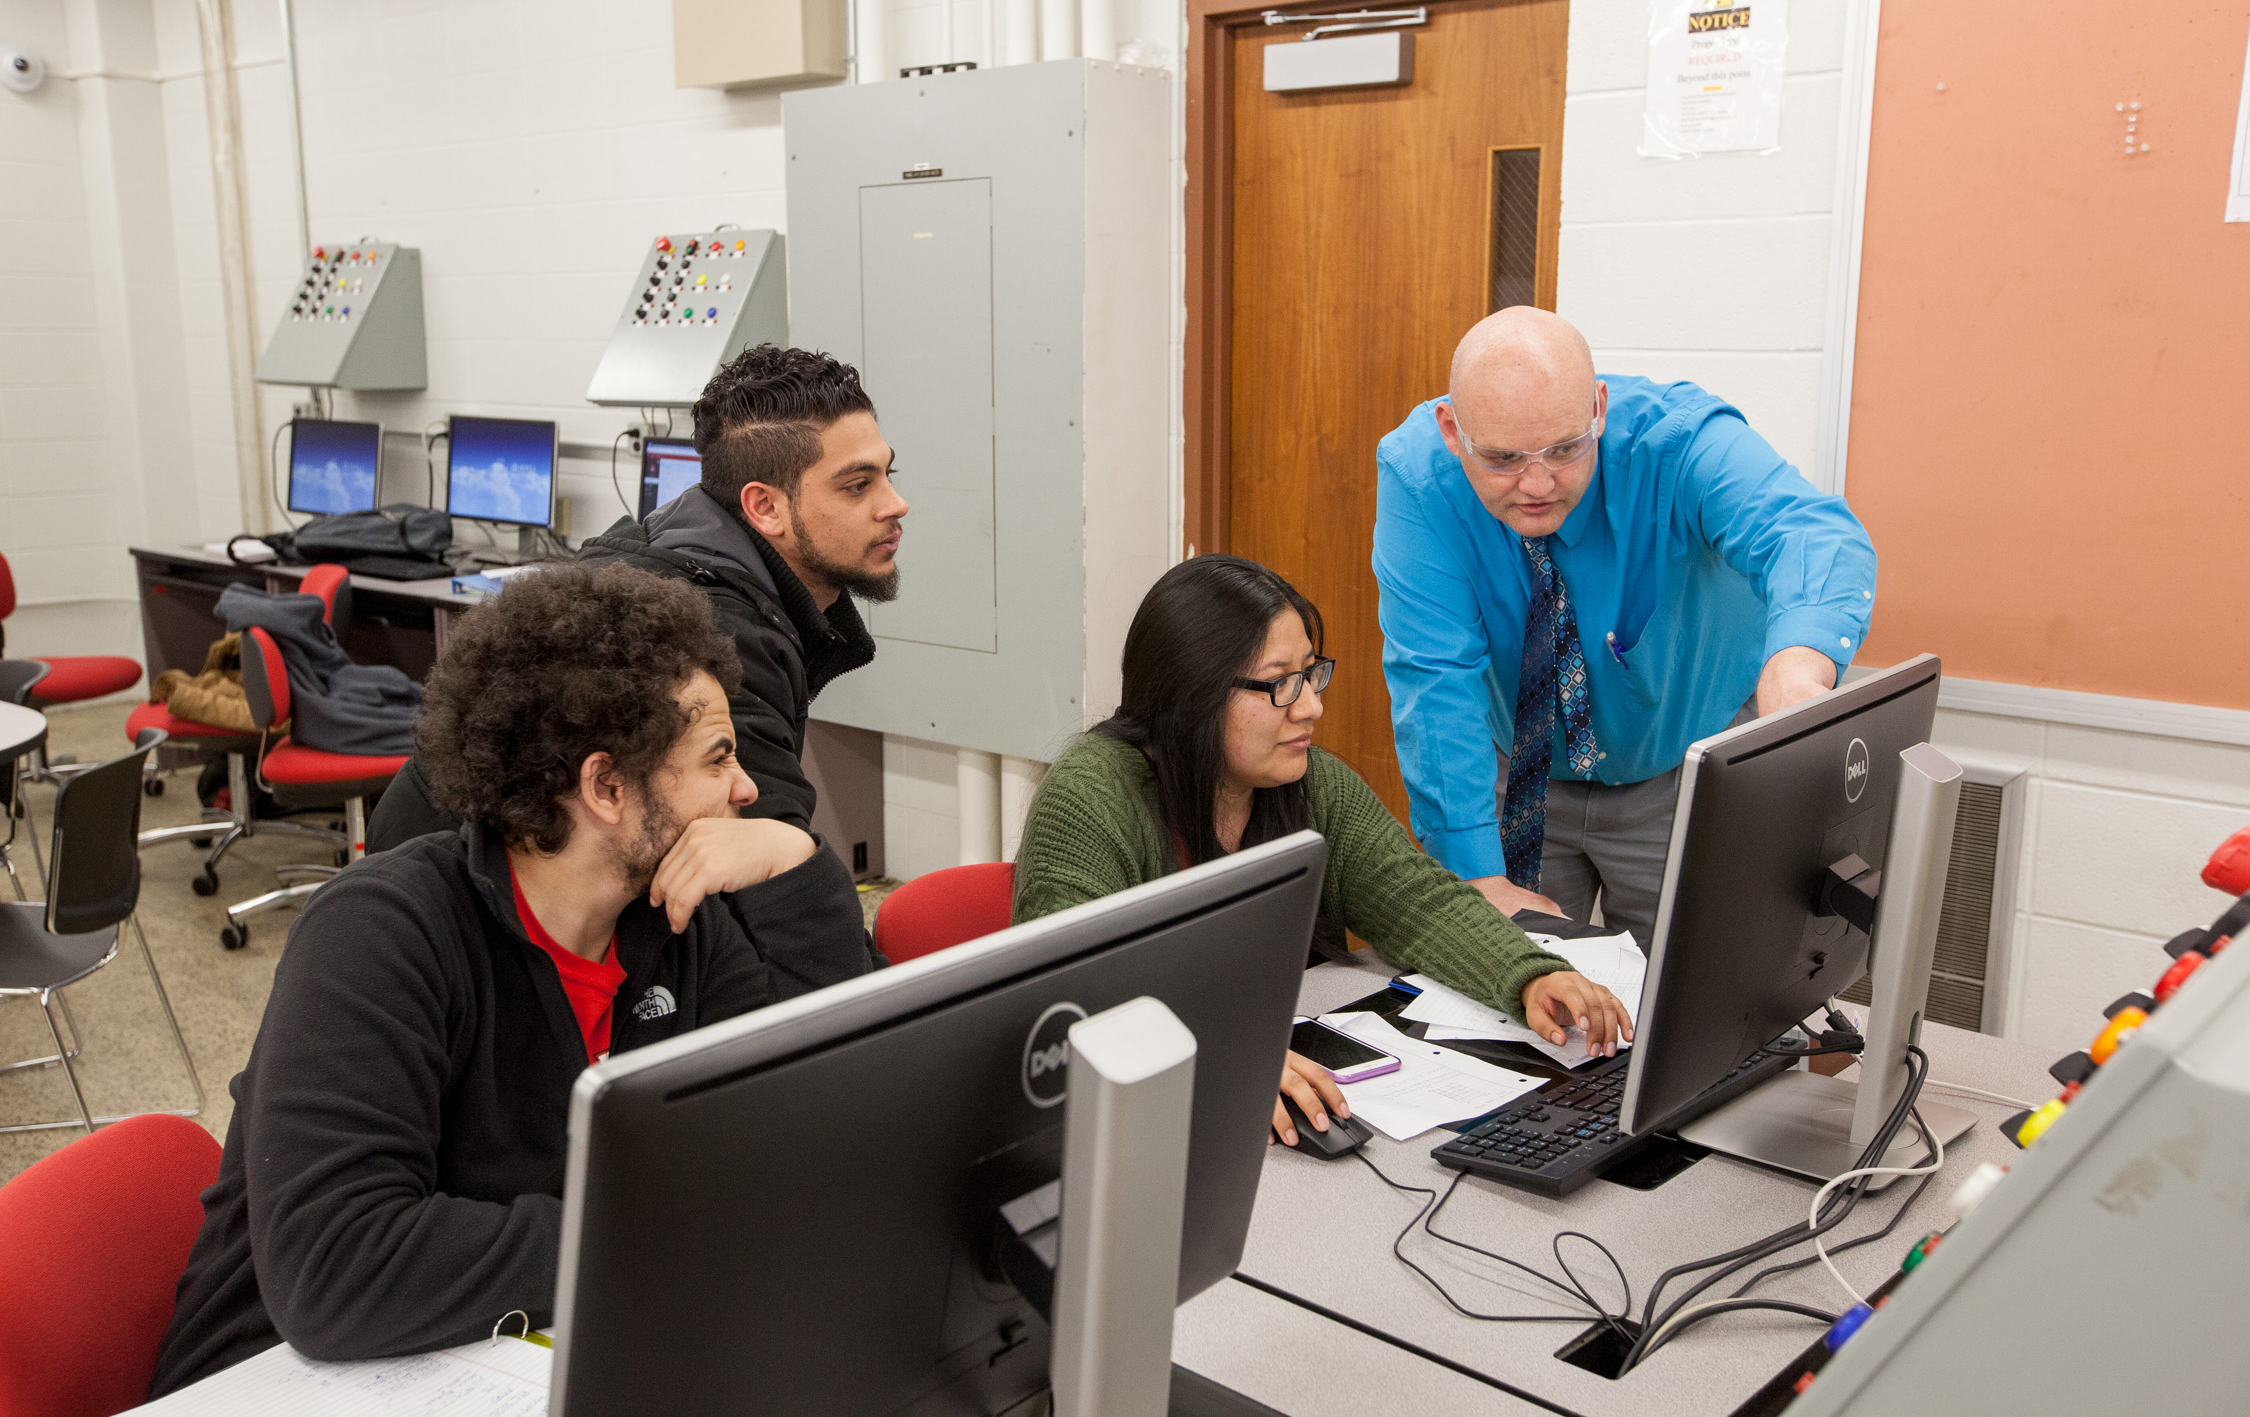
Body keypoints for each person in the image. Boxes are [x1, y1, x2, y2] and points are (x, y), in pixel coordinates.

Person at [149, 566, 859, 1397]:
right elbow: (336, 1268)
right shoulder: (381, 934)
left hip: (514, 1355)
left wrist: (798, 868)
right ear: (606, 787)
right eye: (718, 758)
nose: (746, 789)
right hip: (283, 1381)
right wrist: (656, 1223)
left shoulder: (679, 923)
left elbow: (814, 1138)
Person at [1010, 554, 1631, 1148]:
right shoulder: (1092, 795)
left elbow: (1416, 900)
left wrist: (1529, 973)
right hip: (1152, 1126)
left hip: (1285, 1094)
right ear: (1191, 695)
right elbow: (1068, 990)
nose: (1312, 705)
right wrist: (1222, 1055)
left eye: (1310, 673)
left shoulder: (1310, 782)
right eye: (1280, 685)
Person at [368, 343, 907, 996]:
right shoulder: (717, 634)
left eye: (887, 474)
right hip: (463, 939)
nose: (894, 504)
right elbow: (766, 883)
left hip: (434, 874)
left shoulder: (665, 550)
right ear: (764, 507)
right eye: (858, 485)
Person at [1374, 307, 1878, 950]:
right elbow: (1434, 676)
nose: (1536, 483)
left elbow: (1810, 533)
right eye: (1502, 458)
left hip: (1684, 771)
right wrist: (1477, 877)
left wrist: (1798, 667)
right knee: (1522, 1000)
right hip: (1521, 778)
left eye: (1564, 448)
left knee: (1696, 994)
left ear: (1599, 407)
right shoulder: (1420, 478)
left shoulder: (1679, 442)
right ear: (1453, 430)